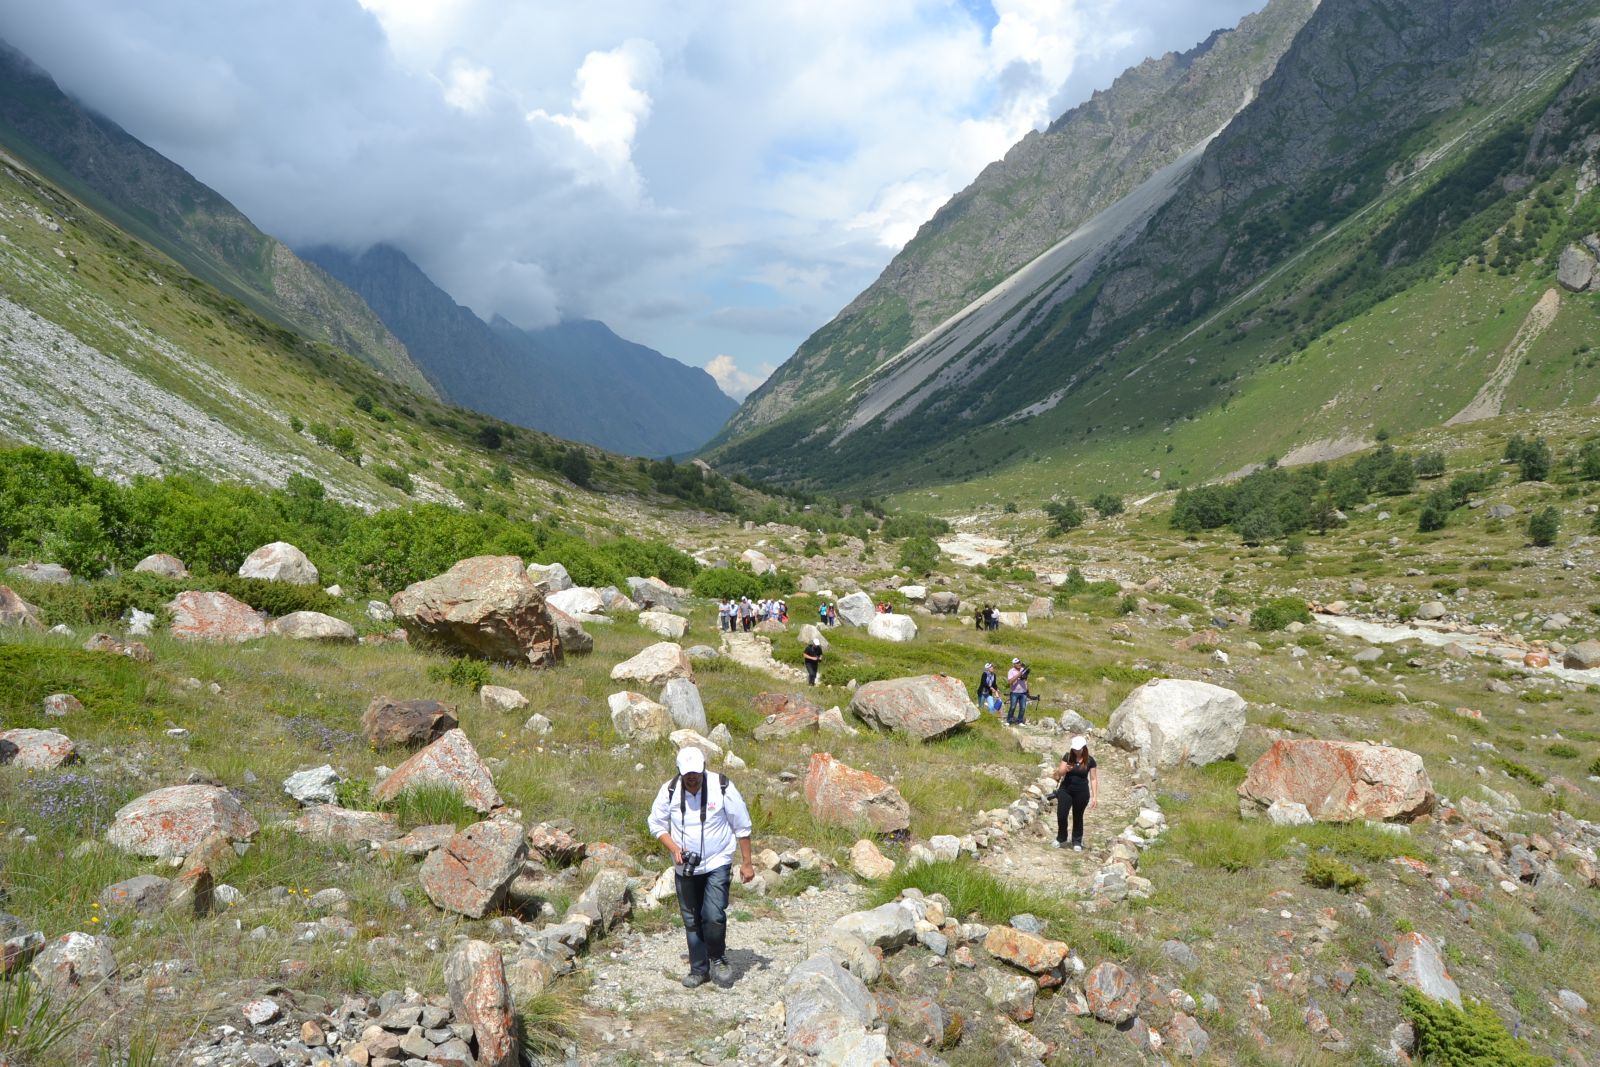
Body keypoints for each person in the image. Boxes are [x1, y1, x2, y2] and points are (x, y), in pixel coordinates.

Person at [647, 748, 755, 988]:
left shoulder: (723, 786)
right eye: (687, 774)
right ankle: (699, 969)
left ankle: (718, 958)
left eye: (696, 772)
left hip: (717, 860)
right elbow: (655, 823)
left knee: (713, 916)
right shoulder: (669, 790)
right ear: (679, 772)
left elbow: (742, 825)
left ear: (703, 768)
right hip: (685, 866)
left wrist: (747, 863)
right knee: (691, 919)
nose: (692, 778)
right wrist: (674, 848)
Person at [1052, 736, 1098, 850]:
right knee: (1062, 815)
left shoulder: (1090, 761)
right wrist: (1065, 769)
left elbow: (1093, 779)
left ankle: (1077, 841)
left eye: (1078, 749)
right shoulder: (1067, 757)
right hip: (1065, 790)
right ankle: (1061, 837)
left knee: (1078, 816)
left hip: (1081, 792)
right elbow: (1059, 773)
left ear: (1083, 748)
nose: (1076, 751)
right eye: (1074, 749)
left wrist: (1095, 797)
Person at [1005, 657, 1030, 725]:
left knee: (1023, 707)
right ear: (1014, 664)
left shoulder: (1023, 669)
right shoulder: (1011, 671)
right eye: (1017, 663)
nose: (1019, 664)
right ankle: (1009, 720)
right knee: (1012, 707)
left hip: (1023, 692)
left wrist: (1027, 689)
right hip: (1014, 692)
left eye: (1019, 662)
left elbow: (1026, 680)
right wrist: (1018, 675)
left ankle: (1020, 721)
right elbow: (1010, 682)